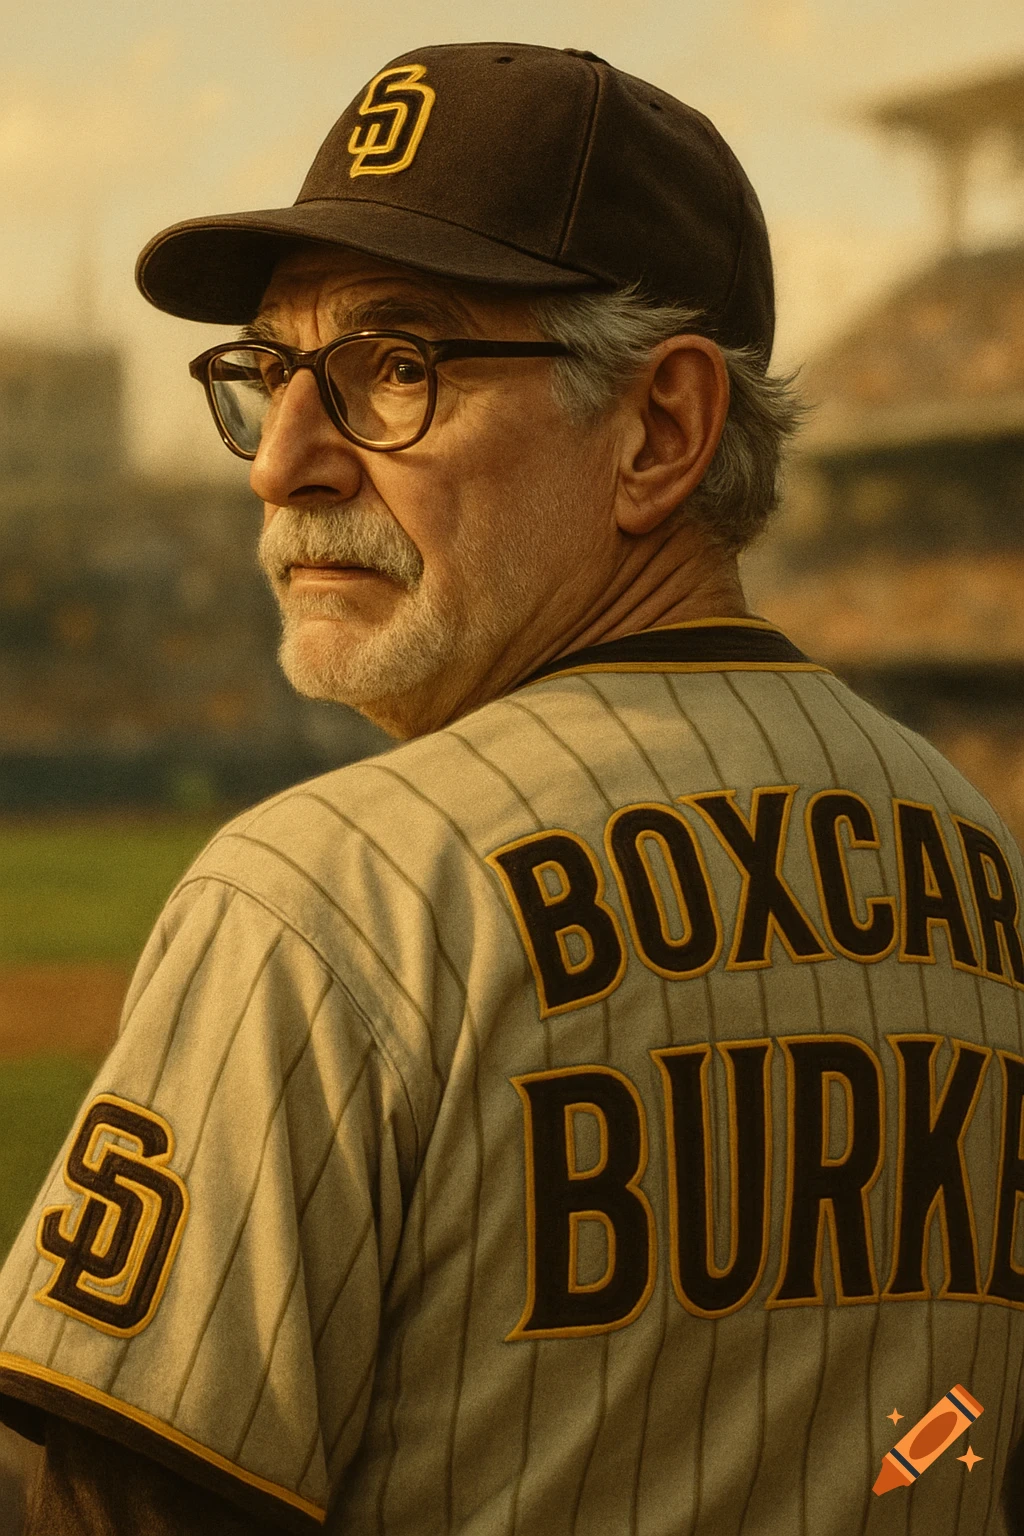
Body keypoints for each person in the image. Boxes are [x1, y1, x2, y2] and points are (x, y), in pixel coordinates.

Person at [0, 38, 1021, 1536]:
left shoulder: (321, 896)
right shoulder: (979, 856)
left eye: (393, 370)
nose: (284, 459)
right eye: (272, 373)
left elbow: (104, 1508)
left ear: (660, 431)